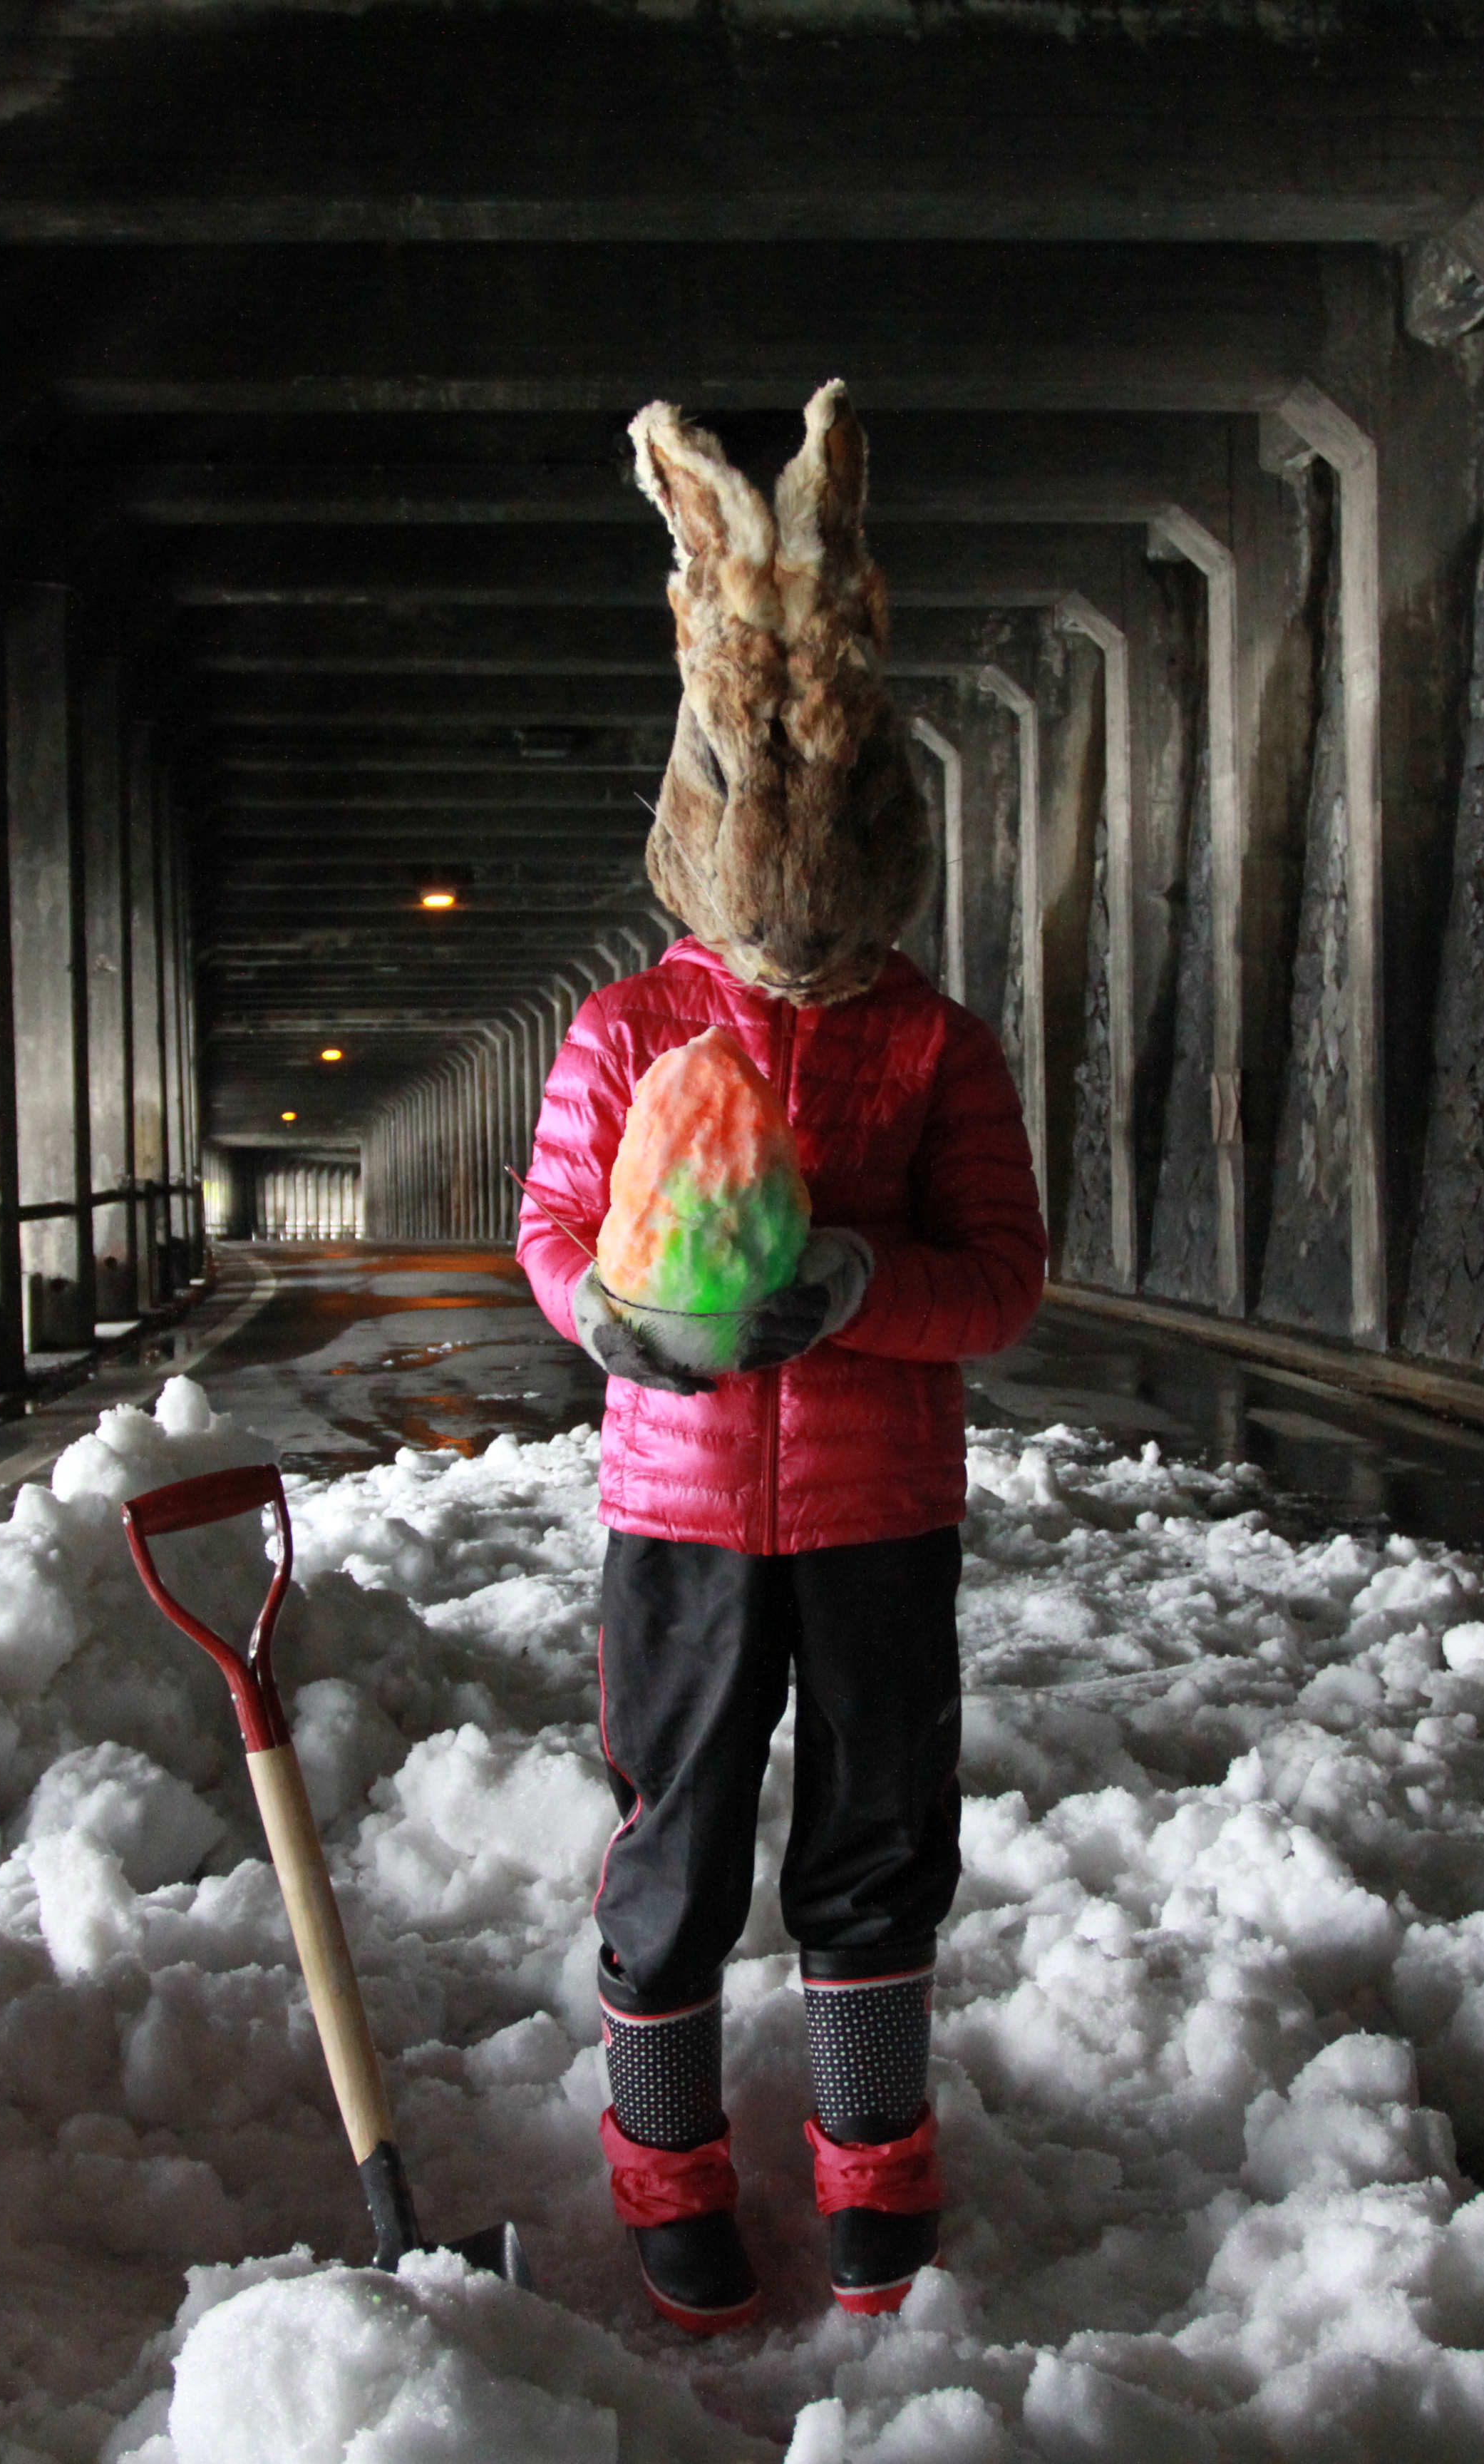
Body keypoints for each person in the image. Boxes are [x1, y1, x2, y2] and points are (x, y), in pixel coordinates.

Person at [517, 382, 1048, 2331]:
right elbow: (555, 1234)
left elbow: (998, 1276)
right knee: (673, 1832)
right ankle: (663, 2163)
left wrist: (857, 1287)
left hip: (879, 1507)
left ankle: (872, 2167)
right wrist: (613, 1319)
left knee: (879, 1839)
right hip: (678, 1514)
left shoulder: (935, 1048)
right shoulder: (629, 1028)